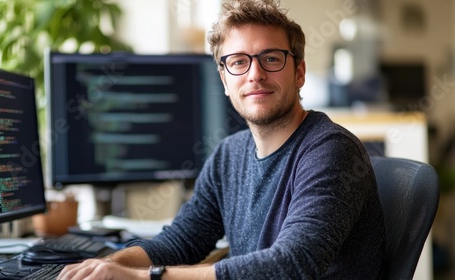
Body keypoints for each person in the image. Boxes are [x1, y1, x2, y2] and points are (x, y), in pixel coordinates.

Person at [58, 0, 385, 279]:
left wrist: (144, 277)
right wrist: (104, 266)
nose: (255, 74)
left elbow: (293, 265)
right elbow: (181, 241)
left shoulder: (332, 150)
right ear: (225, 80)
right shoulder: (229, 154)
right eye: (239, 62)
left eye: (271, 58)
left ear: (299, 72)